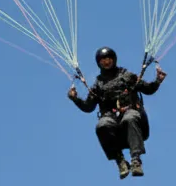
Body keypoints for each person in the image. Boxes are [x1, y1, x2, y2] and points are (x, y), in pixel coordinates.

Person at [68, 47, 167, 179]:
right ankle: (120, 160)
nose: (106, 62)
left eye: (108, 59)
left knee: (129, 118)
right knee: (102, 125)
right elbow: (88, 107)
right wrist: (75, 99)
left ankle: (136, 160)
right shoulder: (98, 85)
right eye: (103, 61)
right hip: (113, 123)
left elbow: (147, 89)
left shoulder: (127, 76)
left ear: (114, 60)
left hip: (134, 117)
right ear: (99, 63)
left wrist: (158, 81)